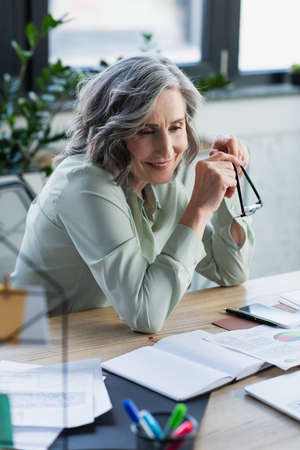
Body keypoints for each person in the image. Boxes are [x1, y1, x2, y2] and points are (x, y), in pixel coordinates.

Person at [11, 55, 254, 333]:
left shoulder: (157, 181)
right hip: (30, 347)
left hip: (99, 337)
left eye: (176, 127)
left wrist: (226, 187)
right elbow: (145, 314)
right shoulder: (85, 184)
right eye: (145, 131)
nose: (166, 149)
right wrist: (198, 209)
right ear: (114, 133)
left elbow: (230, 272)